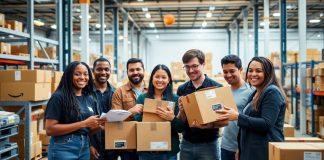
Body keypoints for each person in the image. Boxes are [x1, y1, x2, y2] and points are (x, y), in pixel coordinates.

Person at [217, 57, 286, 160]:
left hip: (262, 151)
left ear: (268, 73)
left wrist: (237, 117)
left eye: (258, 71)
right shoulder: (256, 93)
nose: (253, 74)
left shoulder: (272, 92)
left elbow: (266, 124)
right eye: (250, 70)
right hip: (250, 149)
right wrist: (240, 147)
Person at [45, 61, 105, 160]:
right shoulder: (58, 97)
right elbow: (50, 129)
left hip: (84, 147)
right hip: (63, 148)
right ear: (69, 76)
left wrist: (101, 126)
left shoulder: (88, 98)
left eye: (86, 74)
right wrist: (84, 123)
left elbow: (85, 130)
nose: (82, 77)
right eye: (77, 74)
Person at [177, 49, 229, 160]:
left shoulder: (216, 88)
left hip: (209, 145)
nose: (190, 70)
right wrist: (182, 111)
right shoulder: (182, 89)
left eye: (194, 66)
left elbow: (224, 120)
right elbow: (180, 122)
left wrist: (208, 126)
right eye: (187, 66)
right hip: (186, 144)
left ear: (203, 64)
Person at [134, 64, 184, 160]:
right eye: (157, 77)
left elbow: (181, 128)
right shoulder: (143, 98)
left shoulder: (175, 99)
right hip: (146, 150)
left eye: (163, 77)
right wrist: (148, 114)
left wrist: (171, 118)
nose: (160, 80)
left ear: (168, 79)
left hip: (168, 152)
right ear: (152, 79)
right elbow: (136, 123)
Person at [111, 58, 148, 160]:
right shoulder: (119, 92)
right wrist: (130, 112)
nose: (135, 72)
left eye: (138, 69)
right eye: (131, 70)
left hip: (149, 141)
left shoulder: (153, 90)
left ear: (143, 70)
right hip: (129, 145)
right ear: (127, 72)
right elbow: (114, 119)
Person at [220, 55, 253, 160]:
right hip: (225, 145)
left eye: (232, 71)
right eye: (225, 72)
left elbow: (251, 122)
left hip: (240, 147)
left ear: (241, 70)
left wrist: (241, 147)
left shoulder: (251, 92)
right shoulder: (225, 92)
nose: (228, 75)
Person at [89, 57, 116, 160]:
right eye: (99, 69)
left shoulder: (116, 92)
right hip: (93, 145)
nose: (103, 72)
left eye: (106, 69)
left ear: (110, 71)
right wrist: (88, 145)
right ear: (93, 71)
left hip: (111, 146)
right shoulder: (85, 92)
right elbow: (80, 121)